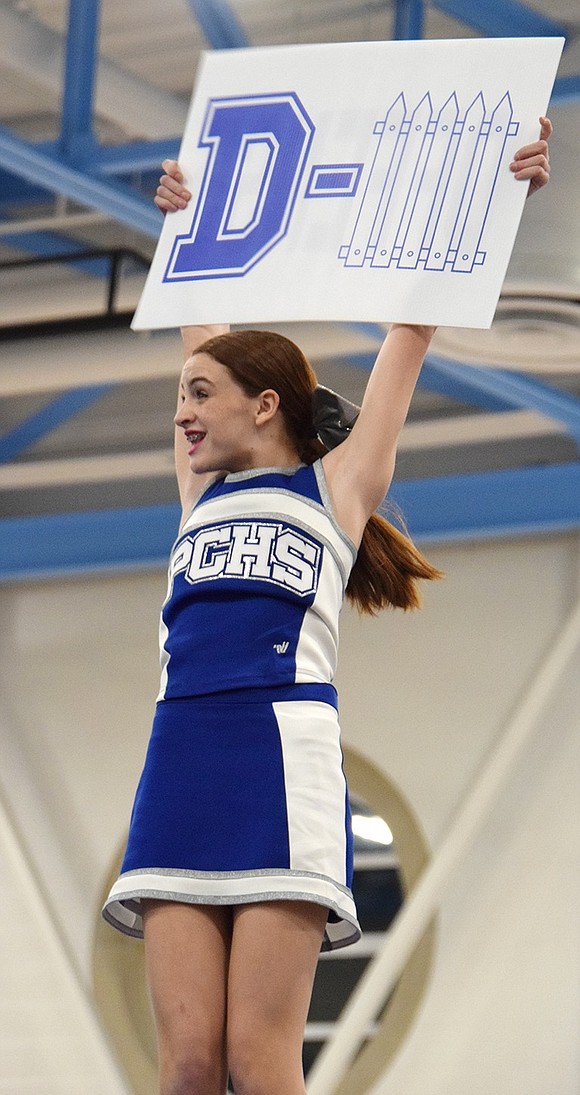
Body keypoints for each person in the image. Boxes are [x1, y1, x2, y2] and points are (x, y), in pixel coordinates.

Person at [103, 117, 552, 1095]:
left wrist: (499, 194)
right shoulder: (198, 489)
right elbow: (200, 307)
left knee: (258, 1061)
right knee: (185, 1065)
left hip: (280, 759)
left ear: (263, 404)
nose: (180, 412)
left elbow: (412, 329)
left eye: (197, 391)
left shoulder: (337, 492)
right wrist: (183, 225)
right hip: (180, 756)